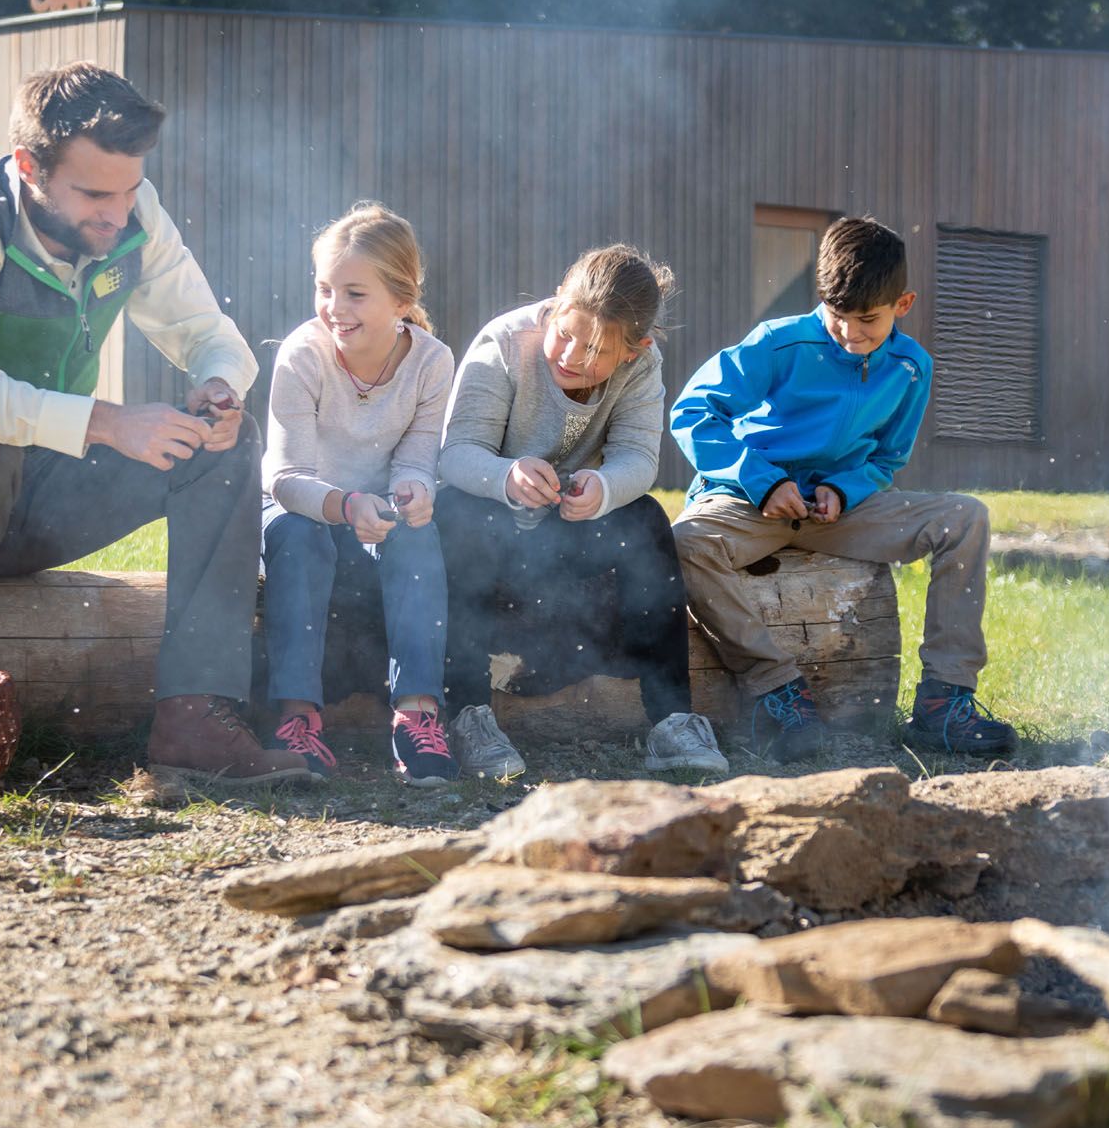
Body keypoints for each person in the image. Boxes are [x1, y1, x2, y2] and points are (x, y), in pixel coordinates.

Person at [0, 61, 310, 788]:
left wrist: (215, 388)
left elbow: (211, 334)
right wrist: (108, 422)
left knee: (222, 441)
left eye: (129, 190)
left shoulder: (132, 214)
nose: (117, 215)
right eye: (92, 194)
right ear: (28, 166)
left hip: (29, 497)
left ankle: (195, 718)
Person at [670, 215, 1017, 763]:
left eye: (868, 321)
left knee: (964, 517)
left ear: (903, 305)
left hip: (838, 513)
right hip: (750, 501)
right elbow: (693, 412)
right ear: (821, 301)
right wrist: (762, 481)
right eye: (837, 320)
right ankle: (777, 691)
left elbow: (887, 457)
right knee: (684, 540)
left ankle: (943, 702)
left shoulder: (911, 368)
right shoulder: (778, 344)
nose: (852, 336)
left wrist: (844, 489)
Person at [436, 245, 729, 780]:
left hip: (569, 531)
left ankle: (673, 721)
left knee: (646, 519)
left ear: (633, 352)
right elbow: (456, 454)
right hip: (494, 530)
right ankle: (469, 717)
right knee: (455, 510)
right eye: (564, 333)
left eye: (594, 350)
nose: (570, 355)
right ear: (555, 304)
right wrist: (506, 476)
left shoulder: (644, 368)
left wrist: (604, 486)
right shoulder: (503, 344)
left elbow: (638, 459)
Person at [259, 203, 457, 785]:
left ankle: (416, 716)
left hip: (374, 511)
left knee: (419, 533)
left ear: (402, 300)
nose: (334, 309)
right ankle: (298, 720)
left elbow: (418, 458)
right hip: (299, 508)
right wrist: (343, 505)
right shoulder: (303, 355)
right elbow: (284, 476)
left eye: (355, 294)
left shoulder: (432, 362)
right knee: (299, 536)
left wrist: (415, 493)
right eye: (325, 289)